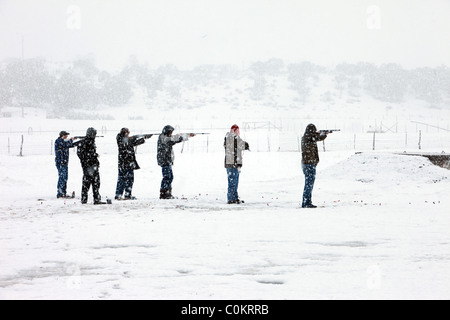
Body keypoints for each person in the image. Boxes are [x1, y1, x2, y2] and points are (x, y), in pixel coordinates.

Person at [157, 125, 193, 199]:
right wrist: (183, 137)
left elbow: (174, 140)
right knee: (167, 177)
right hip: (165, 160)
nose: (171, 133)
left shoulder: (165, 137)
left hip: (167, 160)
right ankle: (164, 194)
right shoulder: (163, 137)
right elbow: (173, 139)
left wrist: (185, 136)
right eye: (171, 132)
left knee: (169, 177)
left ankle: (167, 193)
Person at [115, 128, 152, 200]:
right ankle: (124, 195)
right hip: (126, 163)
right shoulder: (121, 139)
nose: (128, 134)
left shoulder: (125, 140)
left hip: (126, 163)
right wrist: (135, 138)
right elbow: (129, 142)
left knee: (125, 180)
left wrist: (143, 138)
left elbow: (133, 143)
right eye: (127, 133)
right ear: (125, 133)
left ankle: (122, 194)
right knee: (126, 180)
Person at [301, 124, 328, 208]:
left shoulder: (306, 137)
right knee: (309, 184)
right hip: (309, 164)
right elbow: (317, 138)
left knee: (309, 183)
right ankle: (306, 202)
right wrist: (323, 134)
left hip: (308, 163)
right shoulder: (309, 138)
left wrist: (321, 134)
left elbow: (316, 137)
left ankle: (307, 201)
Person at [76, 127, 104, 204]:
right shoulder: (86, 142)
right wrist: (92, 156)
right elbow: (81, 154)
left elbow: (81, 154)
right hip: (90, 166)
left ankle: (87, 199)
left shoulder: (86, 142)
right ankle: (94, 199)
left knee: (89, 183)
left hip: (89, 166)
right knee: (93, 183)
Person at [224, 124, 250, 204]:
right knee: (233, 182)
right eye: (237, 131)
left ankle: (234, 198)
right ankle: (231, 199)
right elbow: (243, 145)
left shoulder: (230, 138)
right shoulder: (233, 138)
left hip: (232, 163)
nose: (239, 132)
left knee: (234, 182)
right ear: (234, 131)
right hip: (232, 163)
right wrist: (246, 145)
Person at [54, 131, 81, 198]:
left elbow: (70, 145)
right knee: (62, 178)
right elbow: (65, 145)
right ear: (62, 135)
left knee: (64, 178)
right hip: (60, 162)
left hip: (64, 162)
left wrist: (79, 142)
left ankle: (63, 192)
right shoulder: (58, 141)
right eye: (66, 135)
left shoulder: (64, 142)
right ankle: (60, 193)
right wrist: (71, 140)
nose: (66, 137)